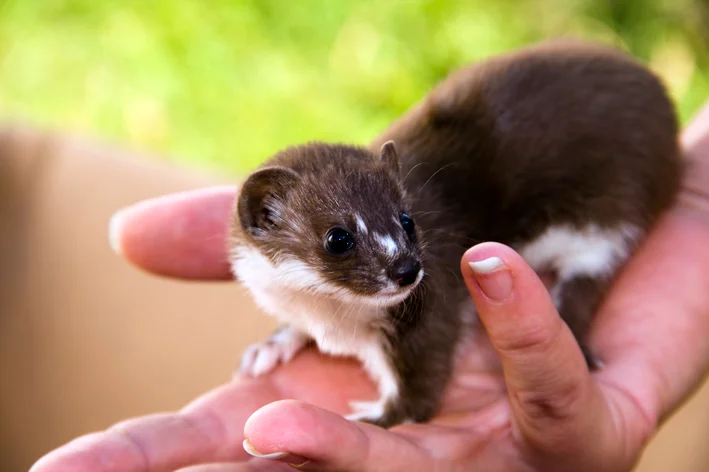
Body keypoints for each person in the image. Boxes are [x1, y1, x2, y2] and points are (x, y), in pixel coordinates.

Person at [31, 101, 709, 472]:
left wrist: (399, 409)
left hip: (605, 161)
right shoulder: (276, 252)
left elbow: (422, 340)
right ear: (263, 220)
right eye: (339, 243)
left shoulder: (406, 286)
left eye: (403, 225)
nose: (404, 264)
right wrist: (290, 329)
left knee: (557, 287)